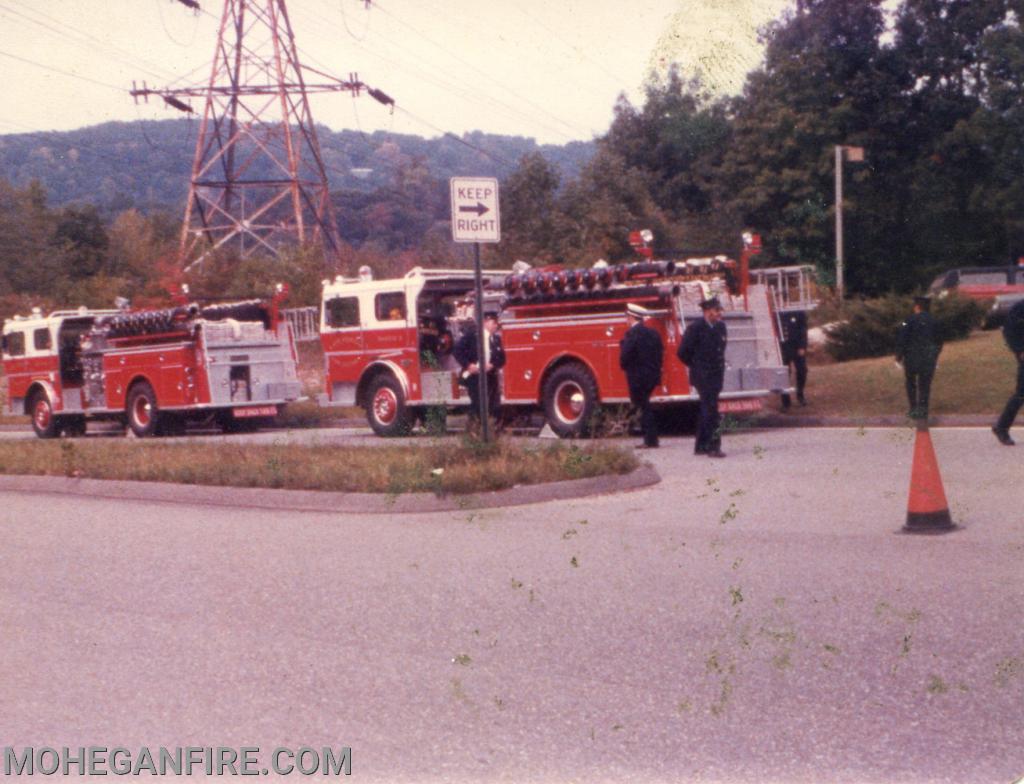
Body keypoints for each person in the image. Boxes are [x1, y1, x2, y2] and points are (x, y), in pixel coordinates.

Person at [678, 297, 728, 458]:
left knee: (707, 409)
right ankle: (714, 446)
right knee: (712, 410)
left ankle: (701, 445)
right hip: (702, 375)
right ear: (707, 311)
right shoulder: (696, 328)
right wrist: (696, 365)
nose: (718, 313)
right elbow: (682, 352)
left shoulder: (721, 327)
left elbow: (721, 349)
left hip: (716, 374)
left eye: (719, 310)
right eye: (715, 310)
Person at [618, 303, 664, 448]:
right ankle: (652, 438)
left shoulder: (632, 334)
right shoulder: (653, 333)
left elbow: (625, 357)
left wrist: (625, 366)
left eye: (627, 317)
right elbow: (660, 353)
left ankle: (650, 440)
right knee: (646, 405)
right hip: (652, 375)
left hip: (638, 377)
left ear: (631, 317)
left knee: (643, 407)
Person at [454, 312, 506, 433]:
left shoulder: (496, 339)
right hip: (475, 376)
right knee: (477, 404)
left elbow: (502, 358)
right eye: (493, 323)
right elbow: (457, 351)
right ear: (485, 322)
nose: (496, 326)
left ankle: (492, 432)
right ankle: (472, 432)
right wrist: (468, 365)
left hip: (490, 377)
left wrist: (492, 365)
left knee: (494, 405)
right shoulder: (472, 336)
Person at [895, 296, 942, 419]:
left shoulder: (908, 320)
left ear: (917, 307)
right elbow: (939, 341)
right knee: (925, 385)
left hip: (911, 358)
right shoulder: (935, 321)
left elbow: (902, 337)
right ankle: (923, 410)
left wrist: (898, 357)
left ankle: (913, 409)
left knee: (911, 383)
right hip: (928, 358)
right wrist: (935, 356)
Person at [993, 298, 1024, 445]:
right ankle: (1002, 427)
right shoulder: (1020, 307)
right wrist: (1019, 350)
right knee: (1021, 393)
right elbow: (1009, 331)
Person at [779, 310, 809, 408]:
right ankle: (785, 402)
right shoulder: (777, 313)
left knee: (802, 371)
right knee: (783, 374)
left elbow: (803, 330)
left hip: (796, 347)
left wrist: (802, 346)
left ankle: (800, 395)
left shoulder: (799, 312)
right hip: (783, 348)